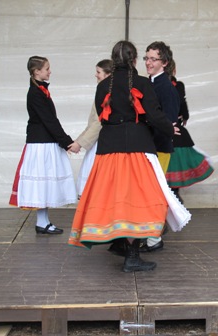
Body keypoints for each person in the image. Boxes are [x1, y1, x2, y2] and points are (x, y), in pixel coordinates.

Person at [68, 40, 191, 273]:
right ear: (134, 60)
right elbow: (153, 115)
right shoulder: (143, 83)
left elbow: (103, 118)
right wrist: (168, 127)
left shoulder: (103, 87)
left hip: (108, 150)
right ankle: (132, 255)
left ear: (114, 60)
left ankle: (120, 245)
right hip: (137, 148)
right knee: (140, 201)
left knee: (113, 198)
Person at [9, 56, 77, 234]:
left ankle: (43, 221)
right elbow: (49, 121)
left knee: (45, 182)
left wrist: (63, 141)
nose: (49, 71)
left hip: (45, 141)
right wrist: (67, 142)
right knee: (42, 182)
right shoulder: (35, 93)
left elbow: (50, 120)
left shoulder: (40, 91)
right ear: (36, 71)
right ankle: (41, 221)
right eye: (47, 68)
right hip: (40, 143)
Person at [139, 41, 181, 253]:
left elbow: (169, 121)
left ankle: (154, 238)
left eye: (153, 59)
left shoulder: (166, 87)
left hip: (159, 147)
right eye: (146, 58)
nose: (148, 62)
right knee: (148, 192)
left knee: (154, 193)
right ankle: (149, 234)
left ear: (164, 62)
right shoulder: (152, 83)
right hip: (150, 147)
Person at [165, 60, 214, 204]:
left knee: (167, 168)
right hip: (175, 132)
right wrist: (184, 116)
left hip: (164, 131)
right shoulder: (177, 85)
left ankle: (171, 197)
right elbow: (182, 103)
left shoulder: (155, 83)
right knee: (174, 165)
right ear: (174, 70)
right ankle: (174, 195)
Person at [71, 59, 113, 197]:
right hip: (97, 142)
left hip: (102, 143)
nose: (96, 75)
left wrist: (80, 143)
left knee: (97, 187)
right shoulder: (103, 90)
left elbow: (99, 122)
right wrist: (78, 141)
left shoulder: (108, 93)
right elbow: (93, 123)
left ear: (107, 75)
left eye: (98, 72)